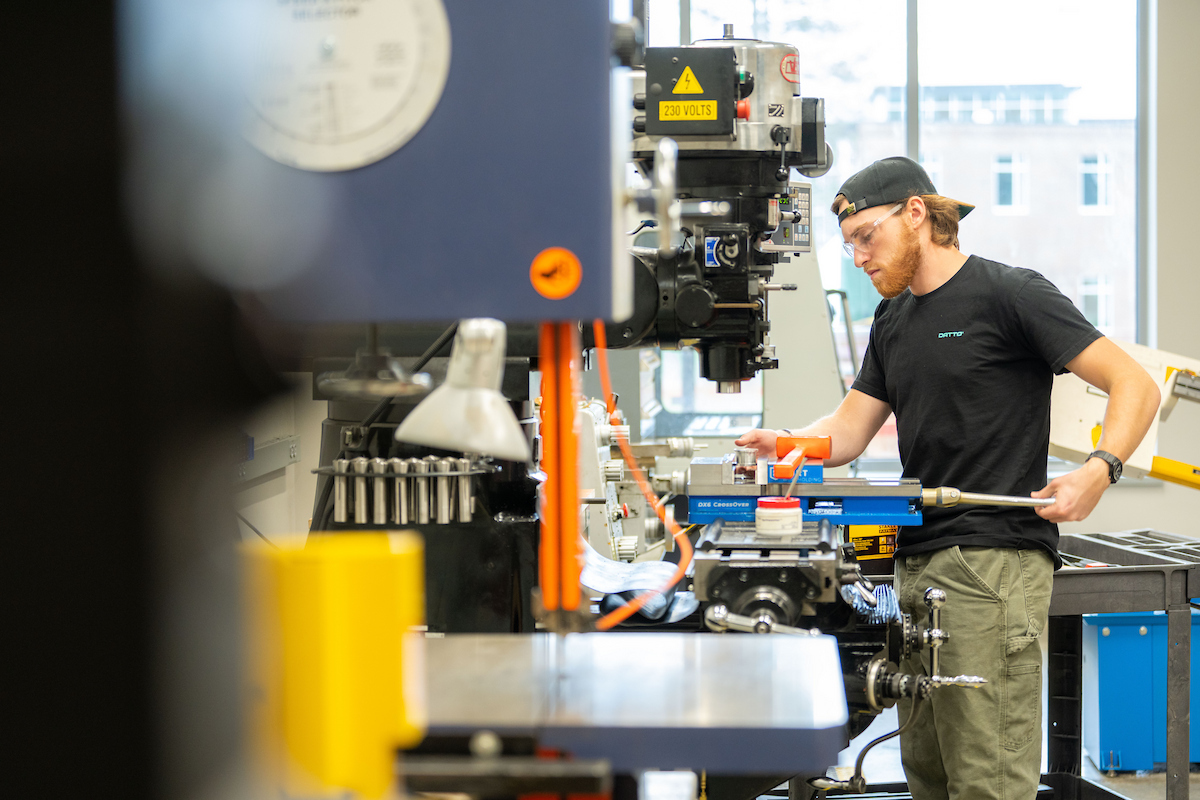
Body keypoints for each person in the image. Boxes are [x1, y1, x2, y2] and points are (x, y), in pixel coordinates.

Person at [735, 156, 1160, 800]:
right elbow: (848, 432)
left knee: (986, 780)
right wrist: (786, 442)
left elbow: (1134, 383)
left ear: (915, 214)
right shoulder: (893, 318)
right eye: (848, 246)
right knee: (929, 776)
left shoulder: (1010, 294)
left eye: (866, 237)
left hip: (993, 566)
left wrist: (1100, 469)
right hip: (918, 566)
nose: (859, 258)